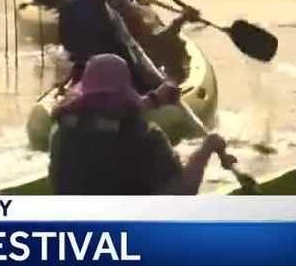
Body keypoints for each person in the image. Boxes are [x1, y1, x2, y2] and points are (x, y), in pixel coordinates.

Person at [48, 53, 233, 195]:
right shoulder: (145, 138)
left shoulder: (61, 133)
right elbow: (183, 192)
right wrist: (206, 149)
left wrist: (155, 99)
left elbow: (104, 114)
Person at [59, 0, 198, 90]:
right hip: (121, 85)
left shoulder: (67, 8)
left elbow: (72, 50)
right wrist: (163, 86)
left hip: (86, 79)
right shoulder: (114, 15)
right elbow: (139, 55)